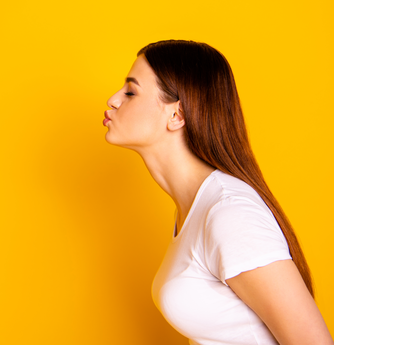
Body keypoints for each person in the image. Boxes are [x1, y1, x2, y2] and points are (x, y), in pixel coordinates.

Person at [103, 40, 332, 344]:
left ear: (177, 116)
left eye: (131, 92)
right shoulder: (194, 209)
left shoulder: (228, 212)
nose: (113, 100)